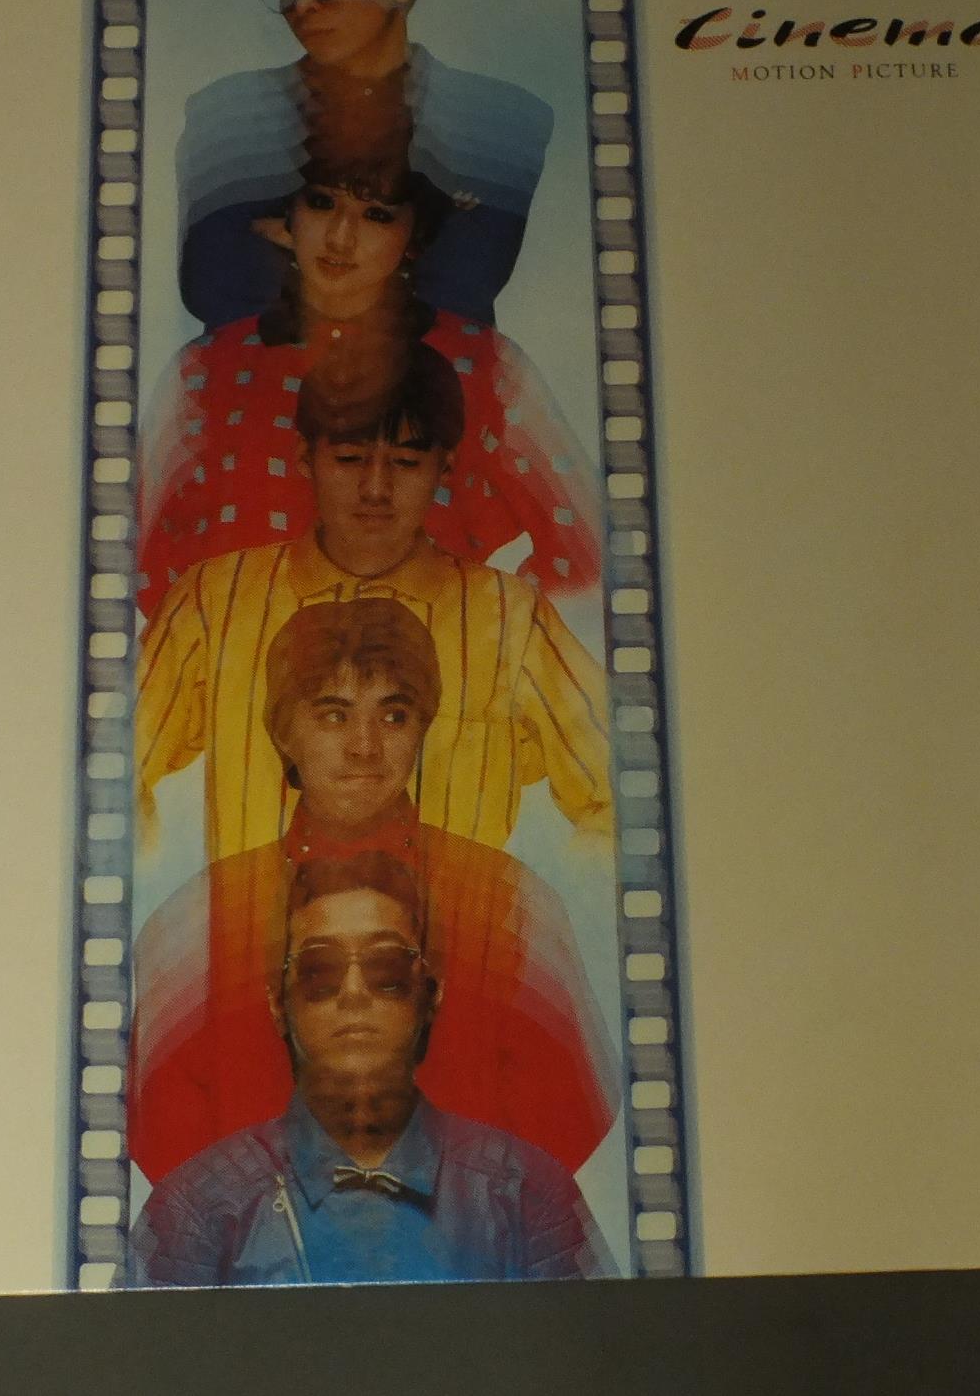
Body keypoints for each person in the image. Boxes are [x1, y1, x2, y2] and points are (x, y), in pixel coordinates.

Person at [126, 597, 618, 1183]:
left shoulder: (512, 905)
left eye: (394, 716)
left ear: (423, 729)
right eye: (334, 716)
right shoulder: (198, 920)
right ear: (284, 730)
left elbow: (566, 1139)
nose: (365, 746)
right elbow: (166, 1157)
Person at [136, 344, 613, 860]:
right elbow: (106, 777)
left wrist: (562, 895)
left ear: (445, 467)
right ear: (305, 457)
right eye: (349, 459)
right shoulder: (212, 600)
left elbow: (622, 799)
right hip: (257, 912)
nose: (375, 488)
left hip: (447, 915)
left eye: (406, 462)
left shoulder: (510, 618)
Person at [137, 139, 604, 611]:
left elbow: (586, 549)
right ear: (288, 217)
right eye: (322, 203)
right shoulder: (204, 369)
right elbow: (134, 558)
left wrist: (480, 632)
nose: (340, 238)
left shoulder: (484, 364)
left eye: (377, 215)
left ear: (415, 236)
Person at [128, 850, 614, 1286]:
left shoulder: (530, 1196)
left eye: (387, 968)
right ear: (278, 1004)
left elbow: (600, 1353)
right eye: (320, 969)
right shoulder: (192, 1210)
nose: (354, 993)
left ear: (430, 994)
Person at [175, 0, 553, 330]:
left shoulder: (502, 119)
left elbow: (461, 287)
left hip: (441, 372)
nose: (300, 5)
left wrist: (288, 239)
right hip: (251, 369)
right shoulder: (228, 110)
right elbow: (216, 287)